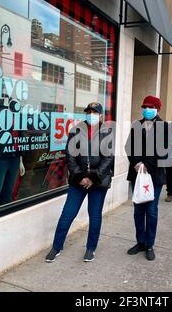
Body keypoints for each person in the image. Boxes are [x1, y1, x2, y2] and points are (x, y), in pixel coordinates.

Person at [45, 102, 115, 263]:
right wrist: (80, 177)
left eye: (94, 112)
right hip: (78, 181)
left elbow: (108, 158)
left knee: (95, 216)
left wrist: (93, 177)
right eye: (88, 112)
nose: (91, 115)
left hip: (98, 182)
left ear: (101, 116)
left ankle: (91, 248)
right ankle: (56, 247)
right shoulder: (76, 130)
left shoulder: (107, 132)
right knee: (67, 214)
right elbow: (70, 156)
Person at [125, 95, 170, 261]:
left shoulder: (164, 127)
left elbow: (163, 151)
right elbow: (129, 146)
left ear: (157, 109)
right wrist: (137, 163)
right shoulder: (136, 125)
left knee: (151, 211)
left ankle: (150, 244)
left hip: (154, 176)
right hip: (137, 174)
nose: (147, 109)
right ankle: (141, 242)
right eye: (145, 106)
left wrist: (147, 165)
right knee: (138, 211)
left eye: (150, 107)